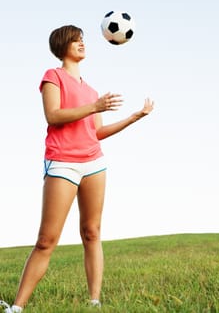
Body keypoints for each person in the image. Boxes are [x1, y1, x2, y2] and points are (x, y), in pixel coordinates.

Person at [0, 25, 154, 312]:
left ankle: (94, 302)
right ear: (62, 45)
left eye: (83, 40)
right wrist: (94, 107)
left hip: (94, 162)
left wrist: (134, 117)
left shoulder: (91, 90)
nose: (82, 44)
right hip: (63, 163)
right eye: (76, 40)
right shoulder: (53, 76)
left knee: (92, 232)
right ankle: (17, 307)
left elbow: (97, 133)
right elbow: (54, 115)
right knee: (46, 240)